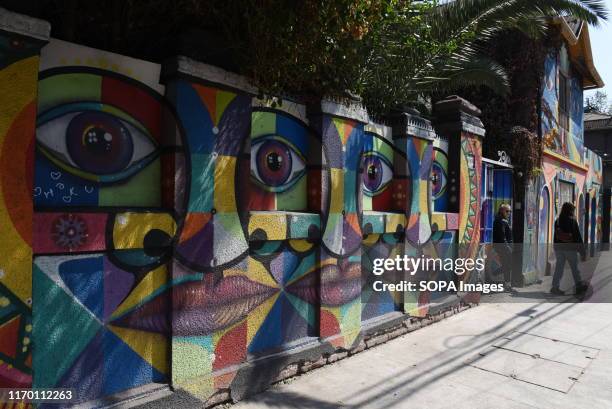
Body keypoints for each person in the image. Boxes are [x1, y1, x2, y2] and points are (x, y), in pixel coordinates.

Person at [551, 202, 588, 295]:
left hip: (559, 248)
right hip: (570, 249)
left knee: (559, 268)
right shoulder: (572, 221)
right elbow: (577, 237)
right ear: (570, 210)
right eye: (573, 210)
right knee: (574, 268)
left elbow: (556, 236)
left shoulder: (557, 221)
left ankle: (555, 287)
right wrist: (582, 252)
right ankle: (579, 286)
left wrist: (555, 247)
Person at [493, 203, 513, 290]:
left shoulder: (502, 220)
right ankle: (507, 284)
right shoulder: (501, 221)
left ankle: (506, 282)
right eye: (507, 211)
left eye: (510, 211)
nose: (509, 213)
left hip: (503, 246)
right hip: (503, 247)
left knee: (507, 265)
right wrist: (507, 247)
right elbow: (502, 236)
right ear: (502, 211)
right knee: (508, 265)